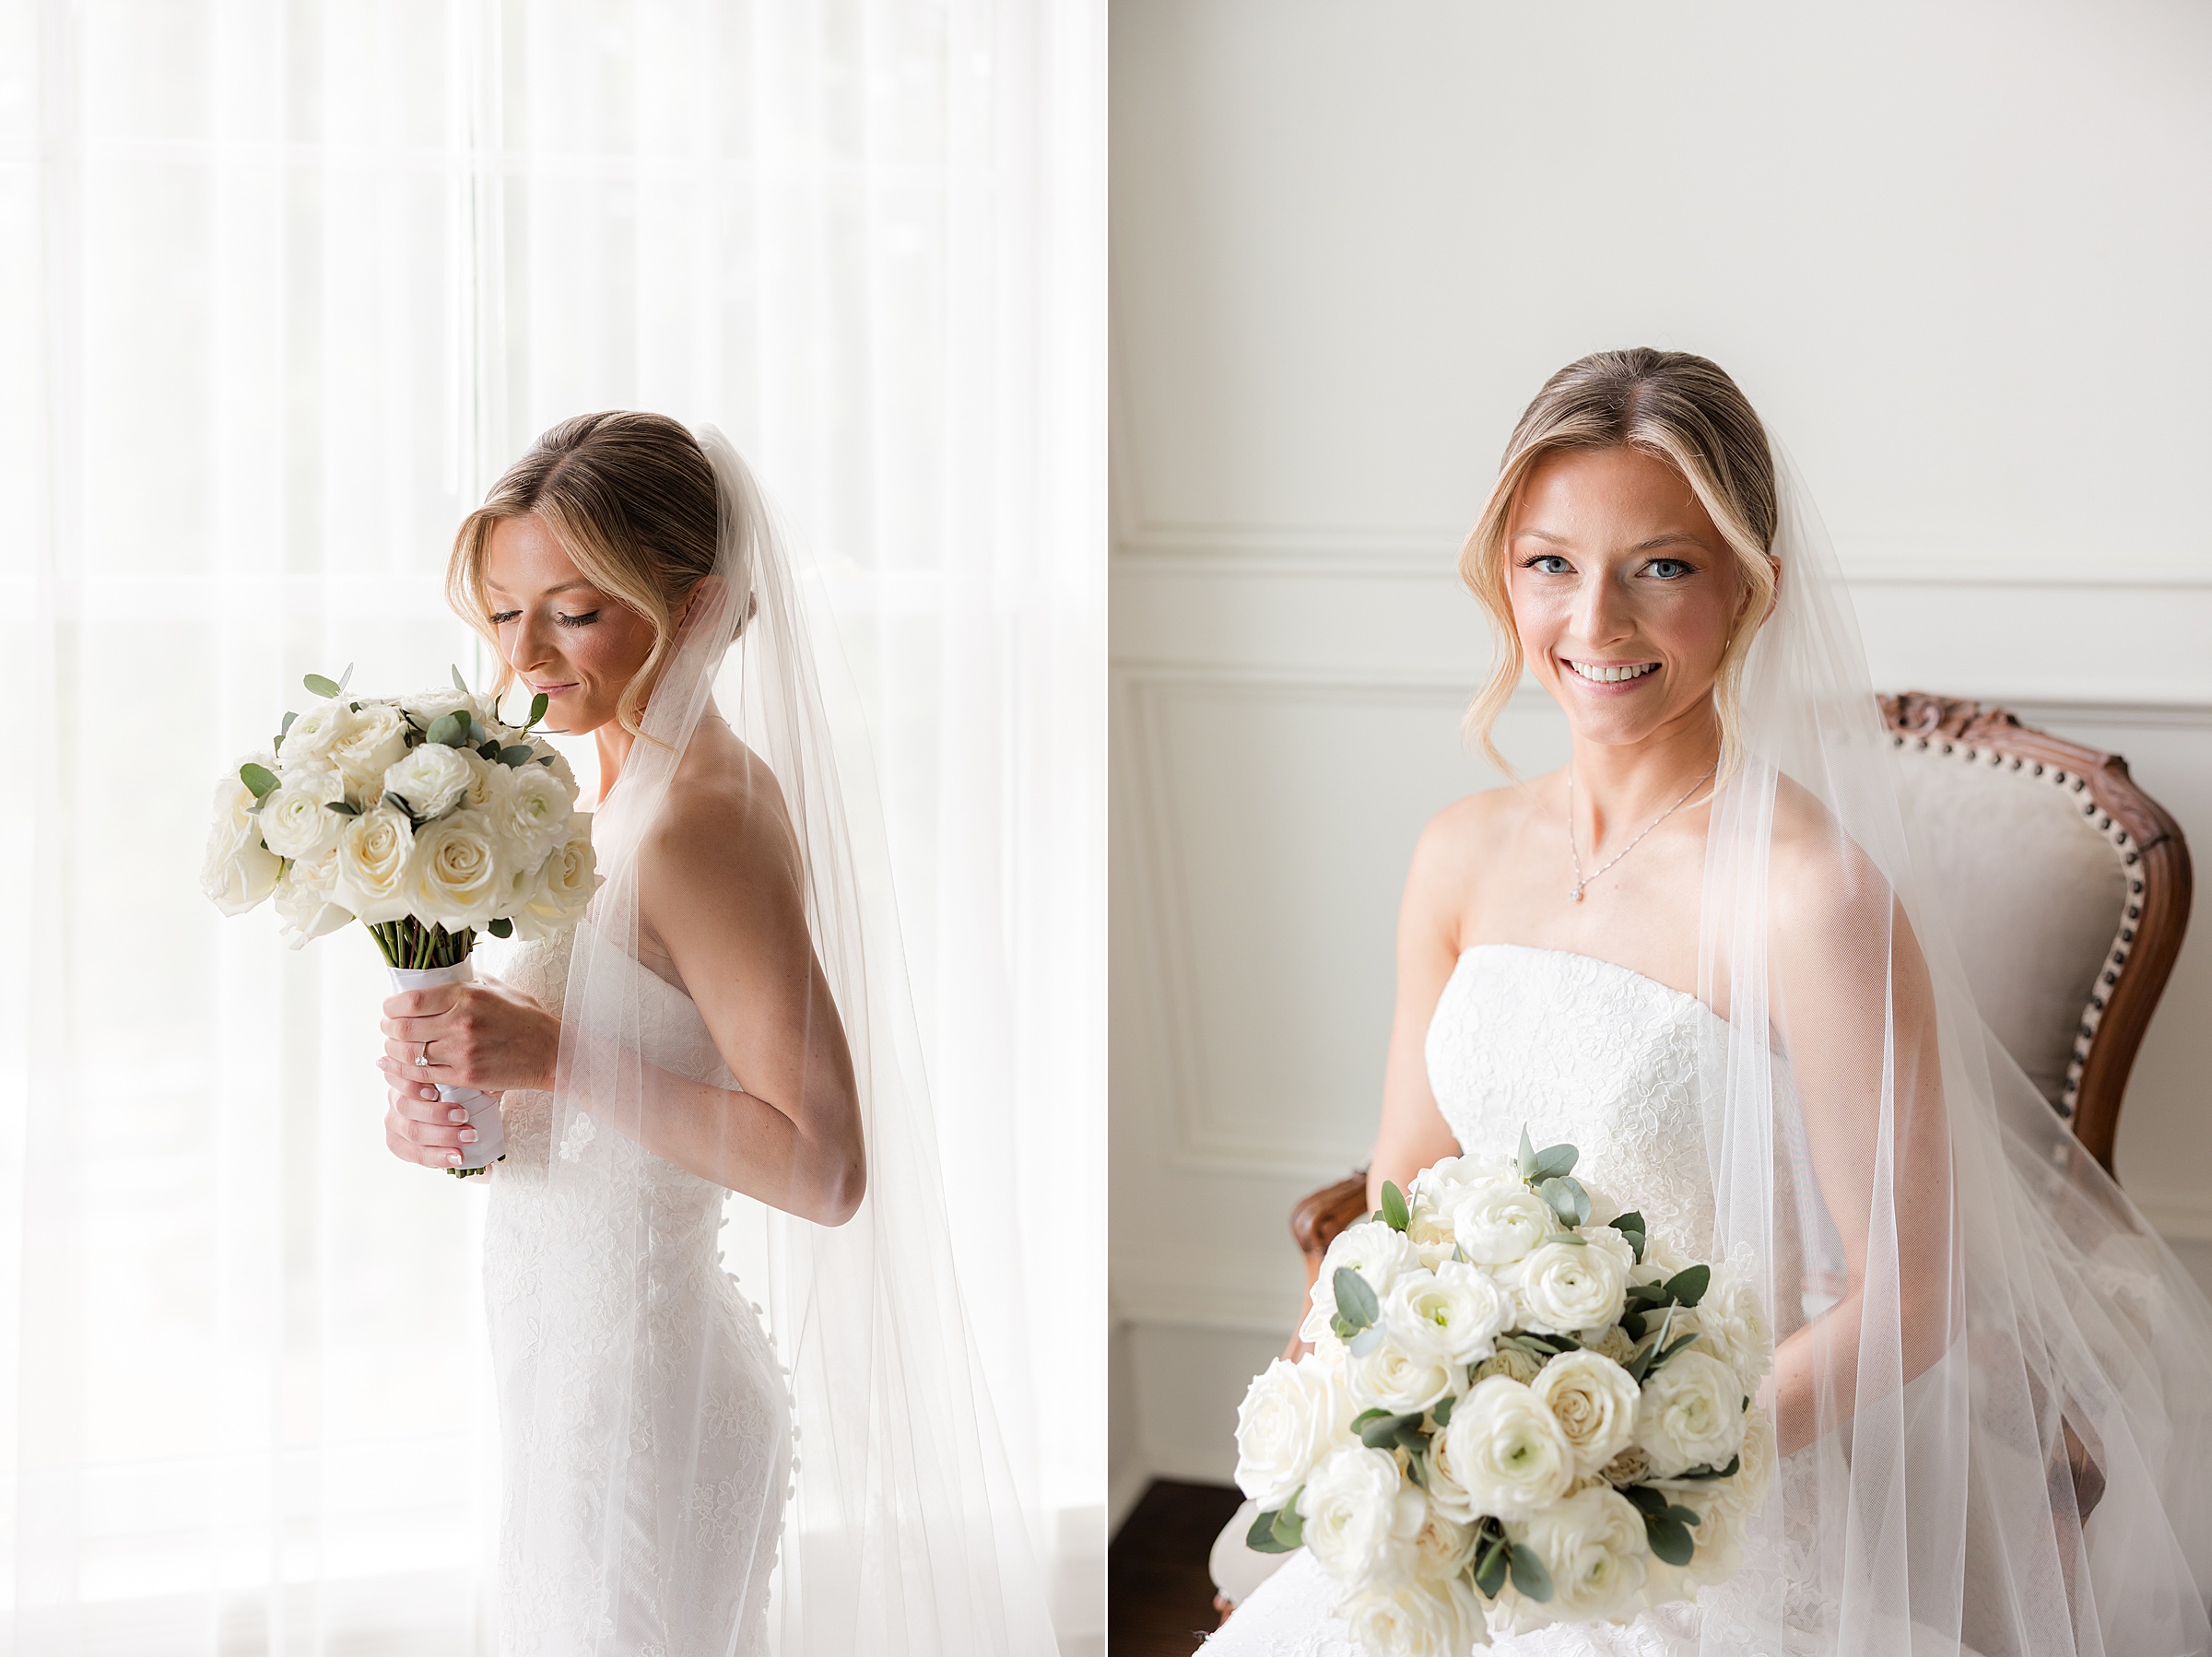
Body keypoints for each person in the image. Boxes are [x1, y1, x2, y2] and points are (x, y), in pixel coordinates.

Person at [1206, 351, 2212, 1655]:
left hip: (1707, 1500)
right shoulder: (1456, 852)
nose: (1597, 623)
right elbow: (1398, 1192)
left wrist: (1625, 1468)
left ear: (1750, 589)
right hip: (1465, 1484)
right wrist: (1357, 1414)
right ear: (1501, 576)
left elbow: (1911, 1294)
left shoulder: (1811, 895)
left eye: (1662, 566)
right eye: (1550, 563)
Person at [373, 412, 1057, 1655]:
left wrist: (554, 1057)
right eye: (503, 607)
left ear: (693, 608)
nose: (521, 654)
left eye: (572, 611)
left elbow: (824, 1164)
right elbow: (618, 1092)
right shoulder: (618, 790)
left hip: (641, 1399)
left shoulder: (699, 816)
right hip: (573, 1368)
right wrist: (467, 1103)